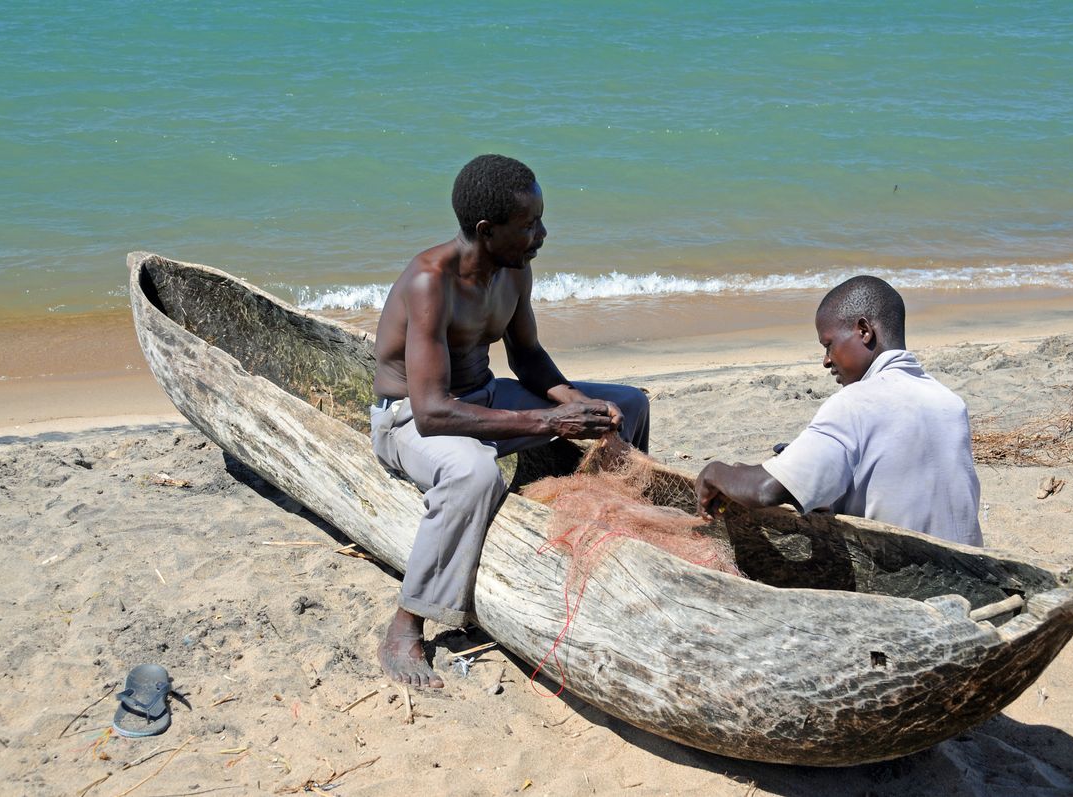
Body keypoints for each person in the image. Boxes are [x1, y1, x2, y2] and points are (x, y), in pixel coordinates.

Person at [369, 154, 650, 688]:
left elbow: (527, 355)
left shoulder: (513, 269)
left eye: (540, 219)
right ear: (486, 230)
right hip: (411, 418)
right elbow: (431, 412)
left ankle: (601, 519)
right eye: (529, 225)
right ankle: (407, 621)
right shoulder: (430, 282)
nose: (542, 233)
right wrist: (551, 423)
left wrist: (577, 405)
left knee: (630, 404)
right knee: (474, 476)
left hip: (485, 396)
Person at [695, 275, 982, 546]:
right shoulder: (950, 403)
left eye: (829, 345)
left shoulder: (856, 402)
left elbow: (766, 490)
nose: (826, 360)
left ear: (864, 331)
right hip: (970, 567)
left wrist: (715, 472)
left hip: (909, 576)